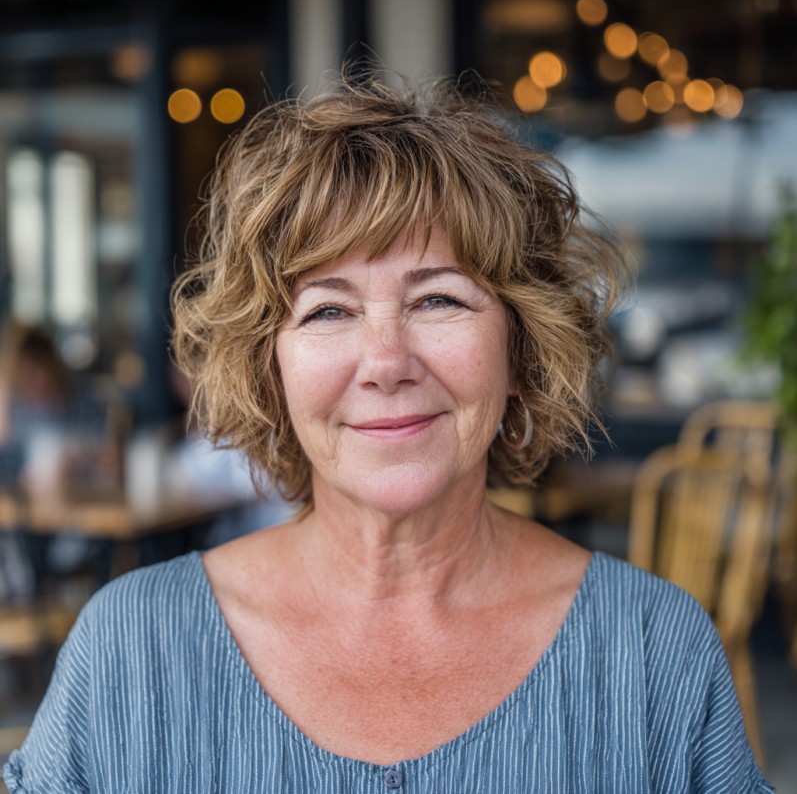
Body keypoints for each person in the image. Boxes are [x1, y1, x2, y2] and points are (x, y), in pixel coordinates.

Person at [4, 74, 772, 793]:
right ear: (269, 367)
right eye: (329, 310)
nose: (385, 362)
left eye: (437, 299)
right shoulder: (131, 653)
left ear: (520, 348)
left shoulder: (653, 656)